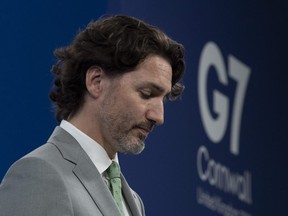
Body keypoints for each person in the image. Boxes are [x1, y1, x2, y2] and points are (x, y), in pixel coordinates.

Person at [0, 15, 185, 216]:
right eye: (146, 94)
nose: (159, 116)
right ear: (96, 81)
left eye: (163, 100)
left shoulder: (134, 201)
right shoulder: (39, 174)